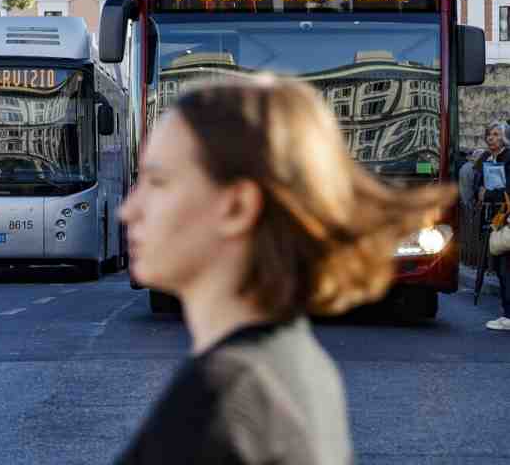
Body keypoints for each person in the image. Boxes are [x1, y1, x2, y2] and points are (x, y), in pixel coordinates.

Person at [114, 77, 454, 465]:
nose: (128, 210)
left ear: (238, 207)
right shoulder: (298, 366)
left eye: (158, 182)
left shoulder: (221, 399)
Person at [473, 121, 510, 331]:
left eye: (495, 134)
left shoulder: (509, 158)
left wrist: (487, 194)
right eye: (488, 134)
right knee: (498, 265)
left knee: (505, 266)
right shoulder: (486, 158)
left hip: (504, 218)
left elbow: (506, 190)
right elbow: (477, 182)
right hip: (492, 218)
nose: (491, 138)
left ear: (503, 138)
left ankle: (508, 314)